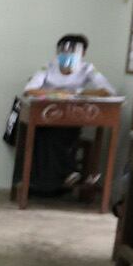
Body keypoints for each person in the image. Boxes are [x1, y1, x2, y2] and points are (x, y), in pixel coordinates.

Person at [16, 33, 116, 198]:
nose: (68, 55)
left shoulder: (87, 68)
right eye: (64, 51)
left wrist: (76, 92)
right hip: (44, 118)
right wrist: (58, 93)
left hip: (72, 118)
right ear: (58, 52)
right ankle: (66, 173)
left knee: (62, 134)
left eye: (74, 51)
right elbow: (30, 91)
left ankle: (56, 180)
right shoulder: (48, 67)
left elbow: (107, 91)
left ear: (83, 54)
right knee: (47, 135)